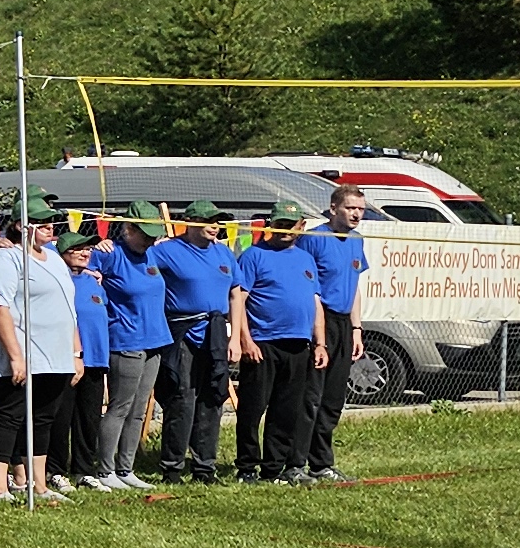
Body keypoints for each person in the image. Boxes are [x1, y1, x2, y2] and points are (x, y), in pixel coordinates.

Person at [152, 206, 248, 485]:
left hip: (215, 333)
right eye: (207, 221)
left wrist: (235, 338)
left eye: (217, 221)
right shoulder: (166, 250)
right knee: (181, 398)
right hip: (182, 333)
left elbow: (236, 296)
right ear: (189, 222)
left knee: (213, 397)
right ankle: (172, 468)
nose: (214, 226)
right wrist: (108, 247)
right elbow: (134, 260)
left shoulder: (223, 253)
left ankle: (205, 467)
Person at [0, 212, 75, 503]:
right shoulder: (6, 258)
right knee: (9, 415)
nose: (49, 227)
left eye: (51, 221)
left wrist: (76, 352)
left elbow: (68, 307)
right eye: (41, 221)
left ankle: (39, 484)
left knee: (43, 419)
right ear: (22, 225)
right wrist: (15, 356)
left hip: (56, 355)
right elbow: (0, 307)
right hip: (24, 353)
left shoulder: (55, 258)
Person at [238, 202, 326, 482]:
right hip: (263, 344)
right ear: (270, 225)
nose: (285, 229)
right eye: (281, 224)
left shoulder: (306, 259)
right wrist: (245, 340)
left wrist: (320, 343)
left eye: (291, 224)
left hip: (298, 345)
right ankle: (247, 468)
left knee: (286, 411)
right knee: (252, 409)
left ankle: (274, 469)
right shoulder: (253, 256)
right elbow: (238, 300)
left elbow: (315, 303)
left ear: (301, 226)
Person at [91, 212, 170, 490]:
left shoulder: (153, 254)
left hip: (155, 341)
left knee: (139, 408)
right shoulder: (110, 254)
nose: (149, 240)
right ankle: (105, 469)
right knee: (120, 407)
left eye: (153, 235)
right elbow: (76, 264)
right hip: (126, 340)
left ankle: (126, 468)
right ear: (128, 229)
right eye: (144, 234)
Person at [302, 183, 372, 479]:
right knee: (311, 396)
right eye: (350, 208)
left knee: (333, 398)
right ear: (334, 209)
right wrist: (318, 335)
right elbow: (306, 287)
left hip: (344, 323)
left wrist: (356, 328)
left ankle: (322, 463)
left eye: (361, 209)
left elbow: (354, 287)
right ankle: (297, 462)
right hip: (320, 322)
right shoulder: (314, 238)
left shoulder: (356, 240)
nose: (356, 214)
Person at [61, 221, 116, 487]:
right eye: (78, 249)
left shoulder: (94, 282)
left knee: (89, 418)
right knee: (62, 418)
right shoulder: (59, 281)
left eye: (88, 249)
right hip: (67, 360)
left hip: (96, 359)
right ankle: (55, 469)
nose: (85, 253)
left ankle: (84, 470)